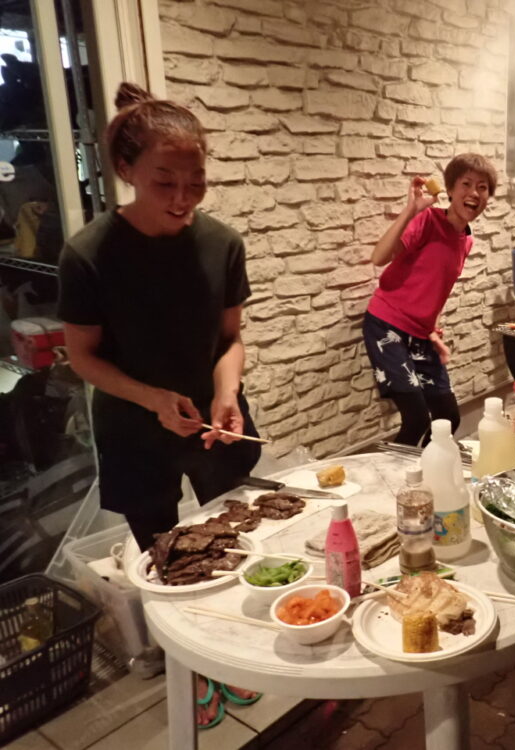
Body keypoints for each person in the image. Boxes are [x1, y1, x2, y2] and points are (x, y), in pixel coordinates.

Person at [58, 83, 261, 726]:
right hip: (133, 425)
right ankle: (192, 667)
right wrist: (153, 399)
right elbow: (83, 357)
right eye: (164, 182)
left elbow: (230, 340)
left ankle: (236, 646)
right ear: (126, 170)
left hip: (215, 420)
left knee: (236, 538)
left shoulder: (222, 243)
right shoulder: (89, 253)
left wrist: (225, 392)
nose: (182, 198)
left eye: (195, 182)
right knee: (165, 557)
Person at [363, 153, 497, 445]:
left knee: (448, 417)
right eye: (466, 184)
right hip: (387, 325)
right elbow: (379, 257)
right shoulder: (428, 220)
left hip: (421, 334)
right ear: (449, 189)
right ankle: (394, 471)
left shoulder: (466, 239)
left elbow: (436, 289)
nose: (474, 193)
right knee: (417, 419)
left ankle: (427, 466)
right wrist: (411, 210)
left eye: (482, 187)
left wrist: (432, 331)